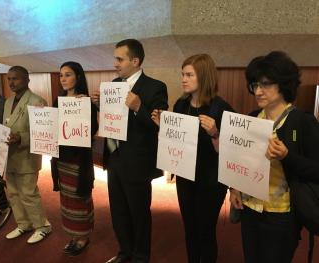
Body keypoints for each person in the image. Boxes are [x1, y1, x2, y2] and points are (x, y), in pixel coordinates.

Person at [229, 51, 319, 263]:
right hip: (250, 208)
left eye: (265, 84)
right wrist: (234, 188)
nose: (258, 91)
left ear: (283, 84)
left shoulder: (302, 122)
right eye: (254, 85)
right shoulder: (251, 119)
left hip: (282, 214)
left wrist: (287, 156)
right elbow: (239, 161)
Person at [91, 39, 168, 263]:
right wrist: (99, 106)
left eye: (119, 59)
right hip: (115, 158)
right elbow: (112, 120)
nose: (115, 63)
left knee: (139, 213)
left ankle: (141, 257)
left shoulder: (155, 87)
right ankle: (124, 252)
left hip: (138, 163)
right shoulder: (114, 84)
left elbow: (158, 125)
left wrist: (138, 107)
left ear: (135, 61)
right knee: (119, 212)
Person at [151, 54, 234, 263]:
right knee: (189, 229)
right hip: (186, 179)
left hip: (211, 181)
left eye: (189, 75)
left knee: (205, 231)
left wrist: (216, 133)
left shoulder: (221, 108)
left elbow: (233, 153)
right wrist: (164, 128)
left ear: (204, 77)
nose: (183, 79)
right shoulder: (180, 104)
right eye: (182, 74)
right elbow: (177, 142)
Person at [0, 66, 52, 244]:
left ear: (26, 80)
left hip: (26, 156)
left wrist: (21, 138)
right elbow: (4, 128)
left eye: (15, 79)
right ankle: (23, 223)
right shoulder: (8, 102)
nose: (11, 82)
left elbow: (44, 133)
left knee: (28, 193)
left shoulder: (37, 101)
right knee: (12, 193)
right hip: (8, 156)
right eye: (9, 79)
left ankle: (42, 227)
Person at [51, 61, 98, 256]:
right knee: (67, 197)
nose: (63, 79)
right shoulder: (58, 100)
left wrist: (86, 109)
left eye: (68, 74)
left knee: (80, 196)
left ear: (78, 77)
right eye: (61, 75)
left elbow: (93, 130)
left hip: (78, 160)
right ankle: (73, 234)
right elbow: (51, 126)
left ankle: (83, 237)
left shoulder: (86, 101)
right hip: (61, 158)